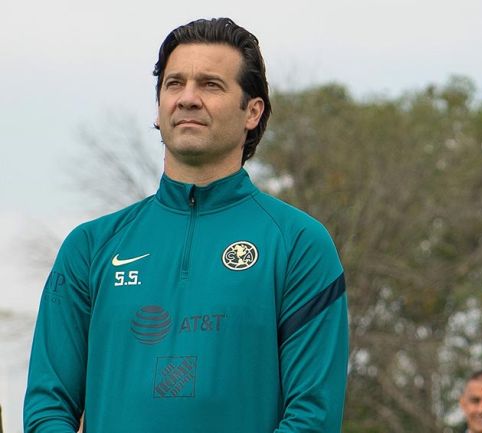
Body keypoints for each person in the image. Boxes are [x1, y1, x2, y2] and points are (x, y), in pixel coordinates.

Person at [24, 18, 348, 433]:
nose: (188, 98)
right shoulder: (89, 247)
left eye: (211, 85)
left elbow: (313, 418)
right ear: (159, 106)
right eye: (174, 83)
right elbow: (47, 407)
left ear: (253, 111)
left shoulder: (299, 244)